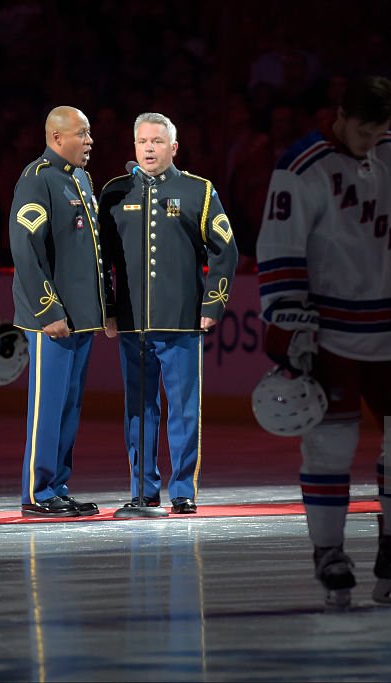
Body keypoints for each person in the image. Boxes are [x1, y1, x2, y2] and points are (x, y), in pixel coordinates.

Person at [256, 76, 391, 607]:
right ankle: (329, 552)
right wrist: (290, 324)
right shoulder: (301, 167)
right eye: (362, 129)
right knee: (330, 445)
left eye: (380, 129)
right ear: (339, 114)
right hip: (333, 333)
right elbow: (280, 248)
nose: (370, 139)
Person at [99, 112, 238, 514]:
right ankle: (143, 491)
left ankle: (183, 491)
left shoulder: (199, 190)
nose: (148, 148)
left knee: (183, 410)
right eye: (142, 141)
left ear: (173, 147)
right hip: (131, 323)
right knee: (138, 412)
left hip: (181, 321)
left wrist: (213, 303)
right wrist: (108, 310)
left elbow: (225, 249)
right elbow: (101, 259)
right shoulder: (114, 192)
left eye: (157, 141)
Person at [9, 106, 108, 518]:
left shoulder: (80, 179)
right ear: (56, 138)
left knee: (69, 405)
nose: (89, 142)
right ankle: (37, 491)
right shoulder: (37, 179)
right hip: (52, 318)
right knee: (47, 406)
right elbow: (25, 249)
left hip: (80, 316)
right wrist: (48, 310)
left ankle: (57, 486)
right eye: (82, 134)